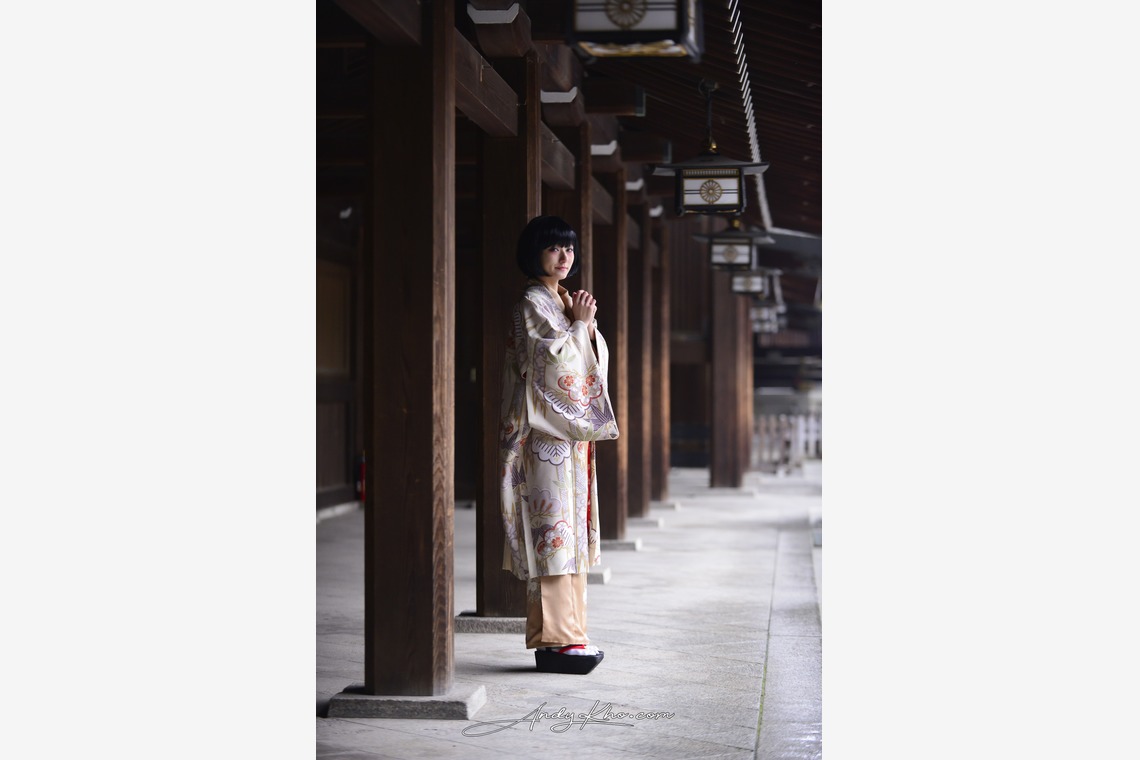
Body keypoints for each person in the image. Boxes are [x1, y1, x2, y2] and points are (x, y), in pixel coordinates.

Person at [498, 215, 619, 675]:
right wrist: (580, 326)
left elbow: (586, 356)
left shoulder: (561, 301)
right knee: (552, 535)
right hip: (542, 436)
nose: (564, 257)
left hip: (565, 439)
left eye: (569, 249)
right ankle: (555, 641)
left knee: (569, 534)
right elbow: (545, 365)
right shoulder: (532, 302)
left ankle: (572, 634)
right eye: (554, 249)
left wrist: (585, 327)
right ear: (535, 255)